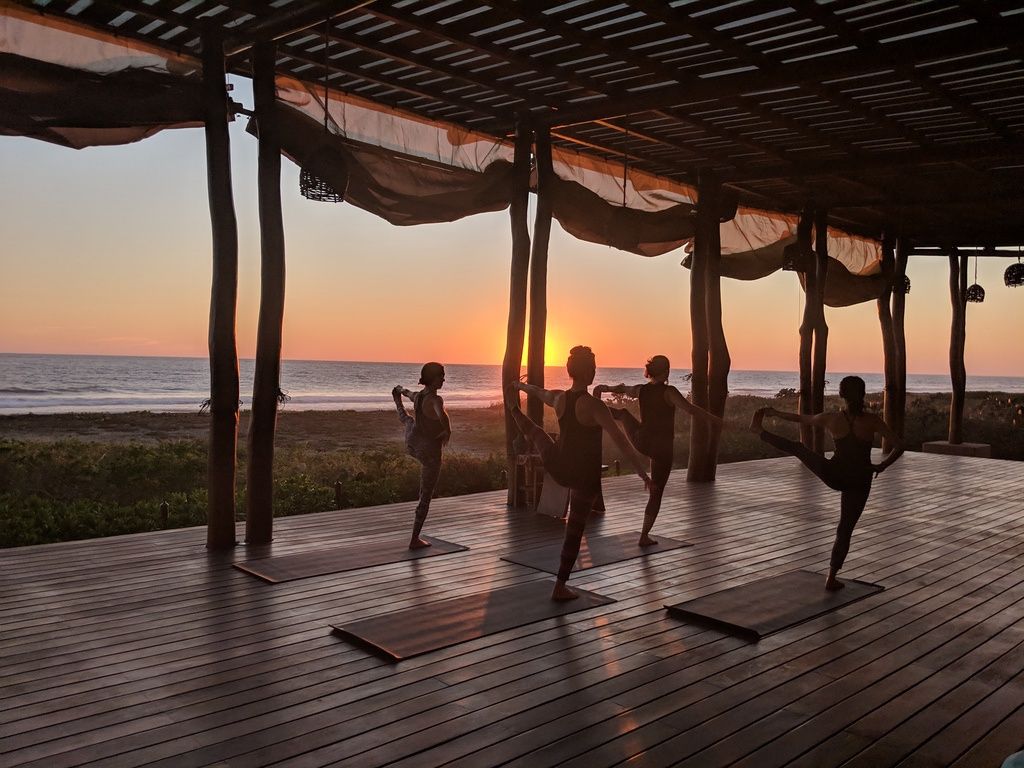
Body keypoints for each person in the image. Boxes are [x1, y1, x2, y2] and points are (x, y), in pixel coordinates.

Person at [506, 345, 652, 601]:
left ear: (570, 371)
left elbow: (538, 392)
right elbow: (620, 440)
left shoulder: (559, 398)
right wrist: (642, 474)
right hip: (584, 476)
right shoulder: (595, 406)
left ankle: (514, 411)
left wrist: (519, 387)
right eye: (593, 368)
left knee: (538, 434)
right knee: (574, 531)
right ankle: (560, 586)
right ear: (589, 372)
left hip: (559, 466)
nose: (595, 371)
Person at [749, 375, 904, 591]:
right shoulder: (872, 421)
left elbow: (801, 419)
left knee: (798, 448)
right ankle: (831, 578)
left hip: (835, 473)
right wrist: (883, 465)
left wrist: (775, 413)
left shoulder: (832, 418)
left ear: (841, 394)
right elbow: (899, 445)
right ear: (862, 394)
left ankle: (759, 432)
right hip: (860, 480)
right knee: (845, 529)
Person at [593, 354, 722, 547]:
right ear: (666, 371)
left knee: (623, 414)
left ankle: (594, 411)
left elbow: (623, 388)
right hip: (662, 449)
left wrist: (606, 388)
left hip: (641, 440)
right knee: (657, 492)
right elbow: (691, 409)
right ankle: (644, 536)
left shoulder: (641, 390)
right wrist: (715, 420)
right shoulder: (669, 392)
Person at [392, 362, 451, 549]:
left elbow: (408, 392)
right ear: (432, 378)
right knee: (425, 496)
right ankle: (414, 539)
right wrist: (447, 430)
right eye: (441, 376)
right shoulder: (435, 400)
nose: (443, 379)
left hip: (412, 444)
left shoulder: (418, 396)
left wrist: (399, 391)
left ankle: (396, 403)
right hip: (429, 453)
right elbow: (441, 415)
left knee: (408, 420)